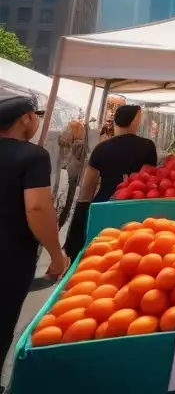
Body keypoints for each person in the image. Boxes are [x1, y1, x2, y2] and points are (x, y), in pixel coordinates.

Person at [0, 96, 68, 367]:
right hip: (9, 256)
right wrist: (56, 254)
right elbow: (37, 209)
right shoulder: (32, 155)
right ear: (26, 118)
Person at [64, 105, 157, 260]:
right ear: (135, 121)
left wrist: (80, 219)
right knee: (130, 255)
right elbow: (150, 179)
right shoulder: (147, 147)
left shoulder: (101, 148)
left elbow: (87, 190)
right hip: (135, 206)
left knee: (100, 254)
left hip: (104, 204)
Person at [58, 120, 87, 227]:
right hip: (72, 178)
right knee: (67, 205)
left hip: (63, 177)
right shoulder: (79, 145)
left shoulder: (64, 143)